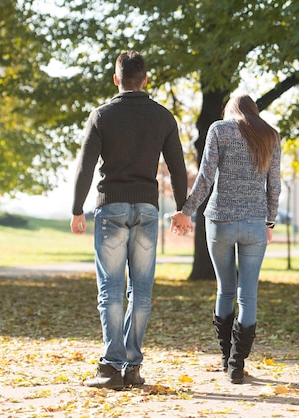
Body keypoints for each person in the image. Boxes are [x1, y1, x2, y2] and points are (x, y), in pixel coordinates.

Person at [71, 50, 188, 390]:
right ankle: (132, 368)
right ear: (145, 79)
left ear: (116, 79)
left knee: (110, 289)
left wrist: (77, 208)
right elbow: (178, 167)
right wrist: (182, 208)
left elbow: (85, 165)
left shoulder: (102, 115)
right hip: (147, 211)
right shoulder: (164, 117)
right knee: (141, 291)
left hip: (110, 209)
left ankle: (110, 368)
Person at [170, 92, 281, 384]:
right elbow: (274, 185)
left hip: (220, 221)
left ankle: (225, 358)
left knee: (225, 290)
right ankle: (237, 365)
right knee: (248, 296)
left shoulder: (219, 129)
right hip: (255, 224)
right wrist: (269, 220)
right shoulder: (270, 134)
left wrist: (186, 211)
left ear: (228, 110)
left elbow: (205, 177)